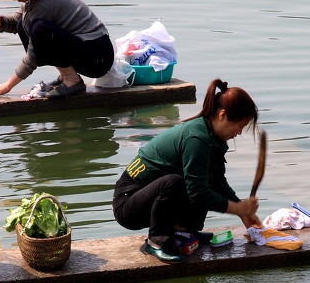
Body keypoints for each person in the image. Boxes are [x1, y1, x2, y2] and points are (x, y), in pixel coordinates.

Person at [112, 78, 261, 263]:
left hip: (153, 197)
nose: (239, 132)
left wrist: (242, 212)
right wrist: (236, 208)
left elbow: (218, 182)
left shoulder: (214, 139)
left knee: (203, 182)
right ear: (222, 115)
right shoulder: (196, 138)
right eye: (240, 126)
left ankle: (183, 232)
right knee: (178, 184)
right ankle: (157, 241)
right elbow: (197, 192)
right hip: (129, 204)